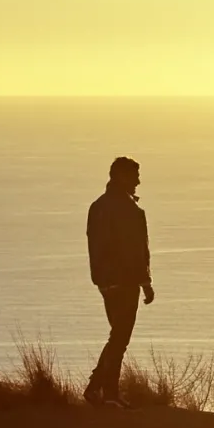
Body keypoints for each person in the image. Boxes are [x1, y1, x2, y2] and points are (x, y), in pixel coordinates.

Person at [84, 155, 154, 407]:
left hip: (107, 280)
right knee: (120, 338)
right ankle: (108, 393)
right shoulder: (124, 208)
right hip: (124, 280)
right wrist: (145, 282)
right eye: (134, 175)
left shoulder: (99, 205)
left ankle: (96, 388)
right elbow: (134, 249)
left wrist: (103, 278)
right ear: (121, 176)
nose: (138, 181)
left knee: (117, 335)